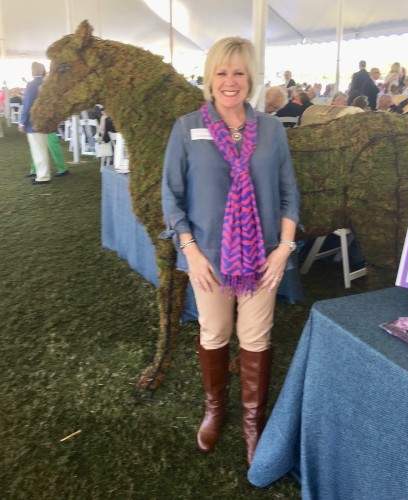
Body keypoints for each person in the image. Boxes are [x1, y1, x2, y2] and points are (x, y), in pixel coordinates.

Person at [162, 37, 299, 466]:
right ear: (209, 78)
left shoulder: (273, 130)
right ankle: (214, 409)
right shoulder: (187, 129)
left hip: (263, 258)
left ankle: (252, 424)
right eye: (222, 72)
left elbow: (288, 195)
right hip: (209, 260)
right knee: (215, 334)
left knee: (255, 338)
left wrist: (283, 250)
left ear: (251, 78)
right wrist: (192, 252)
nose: (230, 81)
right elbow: (171, 197)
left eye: (239, 72)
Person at [19, 62, 51, 184]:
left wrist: (22, 122)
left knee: (38, 150)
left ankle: (43, 177)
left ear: (33, 71)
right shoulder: (46, 83)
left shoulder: (32, 85)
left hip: (33, 122)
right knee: (41, 149)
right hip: (44, 121)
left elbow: (27, 105)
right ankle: (41, 174)